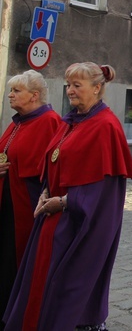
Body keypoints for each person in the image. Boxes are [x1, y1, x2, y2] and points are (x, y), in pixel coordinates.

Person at [3, 63, 132, 330]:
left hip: (80, 222)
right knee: (41, 281)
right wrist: (44, 192)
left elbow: (103, 191)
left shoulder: (105, 126)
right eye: (68, 85)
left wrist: (63, 202)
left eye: (78, 85)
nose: (70, 91)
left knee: (67, 287)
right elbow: (52, 163)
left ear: (97, 88)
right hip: (53, 216)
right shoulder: (70, 121)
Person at [0, 71, 61, 318]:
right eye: (11, 90)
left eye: (16, 91)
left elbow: (52, 169)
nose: (10, 95)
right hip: (8, 202)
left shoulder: (49, 121)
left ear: (34, 96)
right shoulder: (18, 121)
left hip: (25, 206)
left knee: (16, 261)